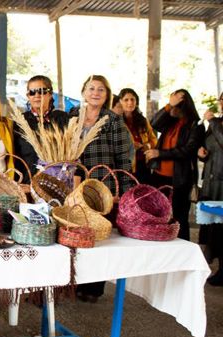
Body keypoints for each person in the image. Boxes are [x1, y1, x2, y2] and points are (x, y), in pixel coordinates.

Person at [70, 75, 134, 303]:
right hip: (75, 183)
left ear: (107, 95)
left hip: (102, 183)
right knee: (76, 231)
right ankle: (74, 281)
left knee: (96, 236)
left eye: (101, 90)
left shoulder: (113, 120)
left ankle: (93, 287)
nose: (95, 93)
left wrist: (123, 192)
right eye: (91, 88)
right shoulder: (73, 116)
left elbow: (124, 157)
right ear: (83, 91)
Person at [146, 89, 205, 242]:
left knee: (179, 217)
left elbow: (188, 151)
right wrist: (167, 106)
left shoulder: (195, 125)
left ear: (184, 104)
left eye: (175, 103)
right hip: (159, 175)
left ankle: (184, 250)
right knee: (157, 214)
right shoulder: (170, 120)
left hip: (180, 178)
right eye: (171, 102)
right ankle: (158, 246)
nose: (172, 107)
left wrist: (160, 154)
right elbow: (154, 123)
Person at [12, 75, 68, 181]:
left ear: (50, 94)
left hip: (56, 185)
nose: (37, 95)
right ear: (28, 96)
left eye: (42, 91)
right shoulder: (20, 122)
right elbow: (14, 157)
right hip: (27, 184)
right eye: (32, 92)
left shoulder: (63, 119)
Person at [198, 92, 223, 285]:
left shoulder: (216, 123)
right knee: (212, 227)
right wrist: (202, 154)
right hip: (210, 181)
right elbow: (210, 146)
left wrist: (213, 122)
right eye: (221, 99)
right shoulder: (217, 123)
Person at [118, 88, 157, 184]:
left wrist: (146, 146)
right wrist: (130, 145)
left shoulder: (143, 120)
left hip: (143, 164)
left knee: (143, 193)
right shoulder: (117, 121)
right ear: (120, 102)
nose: (130, 103)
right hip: (125, 165)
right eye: (126, 100)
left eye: (133, 99)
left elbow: (154, 140)